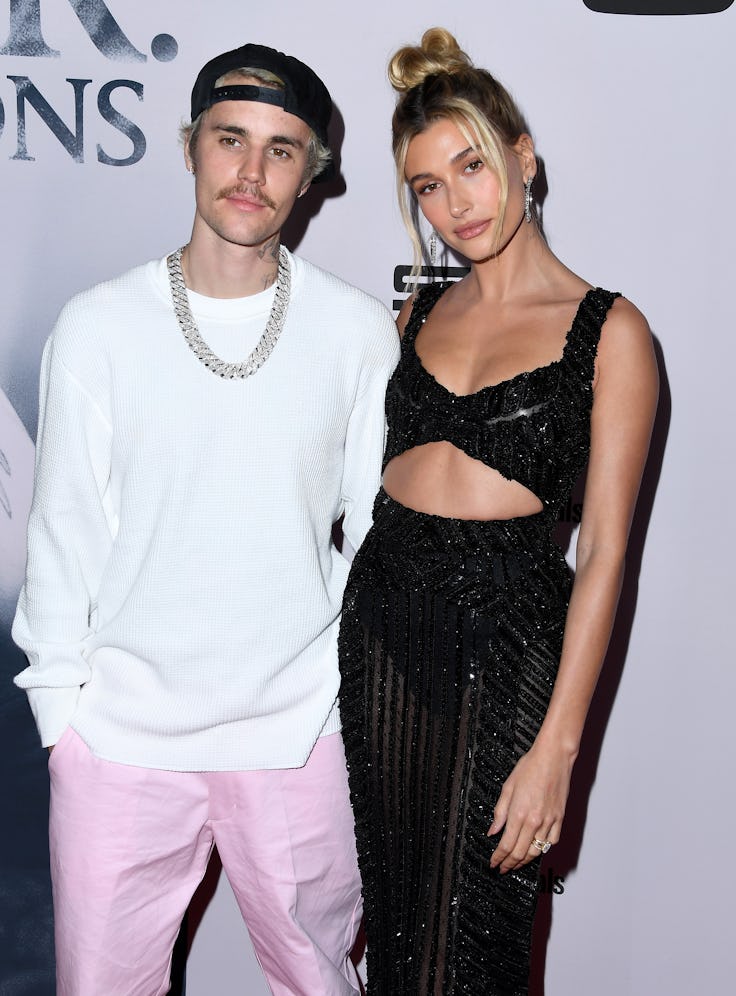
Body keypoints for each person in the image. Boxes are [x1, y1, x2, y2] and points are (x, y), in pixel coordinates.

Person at [13, 42, 399, 996]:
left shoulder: (355, 334)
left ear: (310, 176)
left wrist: (334, 696)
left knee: (321, 981)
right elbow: (63, 537)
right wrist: (65, 721)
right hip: (122, 741)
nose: (252, 172)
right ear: (191, 147)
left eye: (282, 150)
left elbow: (377, 538)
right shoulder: (99, 327)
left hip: (296, 734)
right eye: (232, 139)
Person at [338, 27, 658, 995]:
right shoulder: (416, 312)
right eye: (426, 186)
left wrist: (558, 750)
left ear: (523, 157)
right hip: (384, 636)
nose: (450, 204)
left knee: (470, 950)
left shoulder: (612, 333)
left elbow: (602, 551)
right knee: (397, 935)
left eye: (468, 166)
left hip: (507, 648)